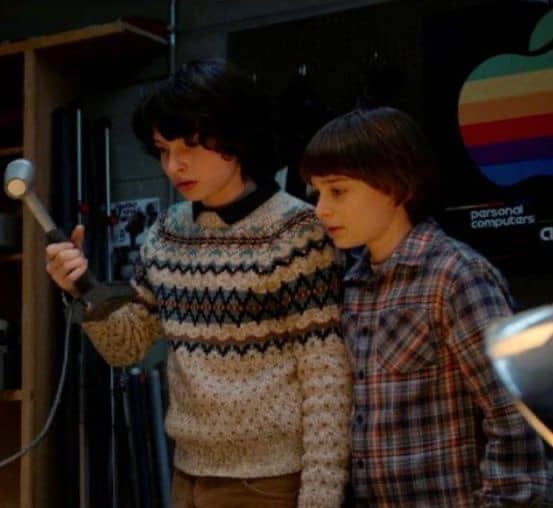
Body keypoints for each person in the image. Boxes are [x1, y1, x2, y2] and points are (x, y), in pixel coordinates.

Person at [45, 59, 352, 508]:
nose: (174, 165)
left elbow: (326, 375)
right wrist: (81, 289)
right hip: (187, 473)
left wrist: (321, 497)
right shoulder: (166, 233)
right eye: (163, 149)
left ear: (233, 137)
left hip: (271, 481)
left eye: (189, 145)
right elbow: (127, 345)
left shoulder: (297, 231)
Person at [300, 106, 547, 507]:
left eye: (338, 191)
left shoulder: (455, 275)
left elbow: (513, 412)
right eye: (317, 193)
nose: (321, 209)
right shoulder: (354, 283)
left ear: (398, 186)